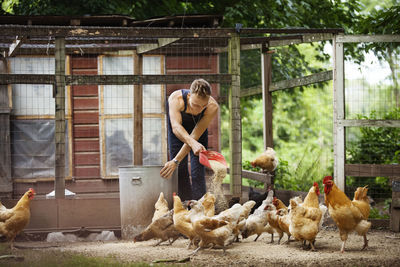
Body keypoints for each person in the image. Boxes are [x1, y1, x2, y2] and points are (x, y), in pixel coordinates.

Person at [160, 79, 219, 201]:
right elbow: (176, 128)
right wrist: (176, 161)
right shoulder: (176, 99)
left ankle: (199, 207)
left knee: (198, 170)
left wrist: (193, 144)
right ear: (189, 96)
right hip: (178, 130)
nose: (199, 110)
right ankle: (185, 206)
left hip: (197, 132)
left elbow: (195, 135)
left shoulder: (212, 107)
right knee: (180, 168)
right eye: (196, 105)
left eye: (203, 106)